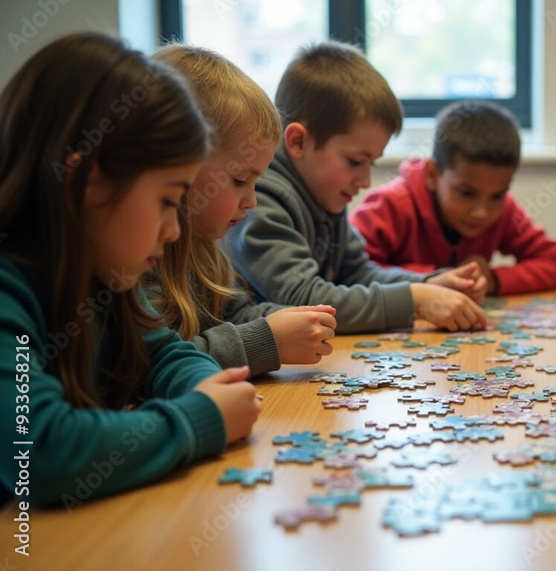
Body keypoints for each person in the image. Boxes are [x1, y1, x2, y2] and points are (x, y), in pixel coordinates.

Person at [0, 33, 260, 506]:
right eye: (166, 201)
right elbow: (36, 450)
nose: (174, 230)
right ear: (85, 183)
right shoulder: (8, 292)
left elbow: (162, 354)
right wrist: (199, 419)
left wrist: (203, 383)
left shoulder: (106, 277)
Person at [224, 41, 486, 333]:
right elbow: (301, 297)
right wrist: (414, 301)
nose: (365, 181)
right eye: (355, 161)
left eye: (371, 163)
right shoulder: (259, 197)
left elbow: (356, 273)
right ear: (299, 142)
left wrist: (426, 284)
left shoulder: (322, 190)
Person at [146, 45, 337, 377]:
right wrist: (267, 340)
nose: (252, 200)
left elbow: (237, 313)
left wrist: (299, 320)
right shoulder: (138, 259)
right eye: (239, 180)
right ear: (180, 165)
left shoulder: (206, 246)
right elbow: (150, 364)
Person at [351, 100, 556, 295]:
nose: (481, 212)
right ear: (433, 174)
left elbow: (555, 262)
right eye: (466, 193)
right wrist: (437, 277)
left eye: (497, 195)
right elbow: (350, 273)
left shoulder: (505, 210)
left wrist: (493, 280)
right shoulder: (390, 206)